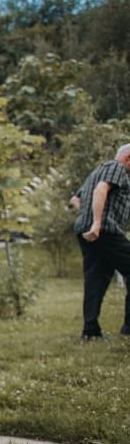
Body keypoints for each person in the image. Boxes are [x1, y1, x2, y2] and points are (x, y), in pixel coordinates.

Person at [70, 144, 130, 340]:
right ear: (128, 157)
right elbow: (101, 189)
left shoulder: (97, 171)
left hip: (86, 232)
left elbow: (75, 199)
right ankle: (128, 328)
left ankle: (90, 331)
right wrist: (96, 222)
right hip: (104, 231)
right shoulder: (117, 167)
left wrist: (87, 219)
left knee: (96, 277)